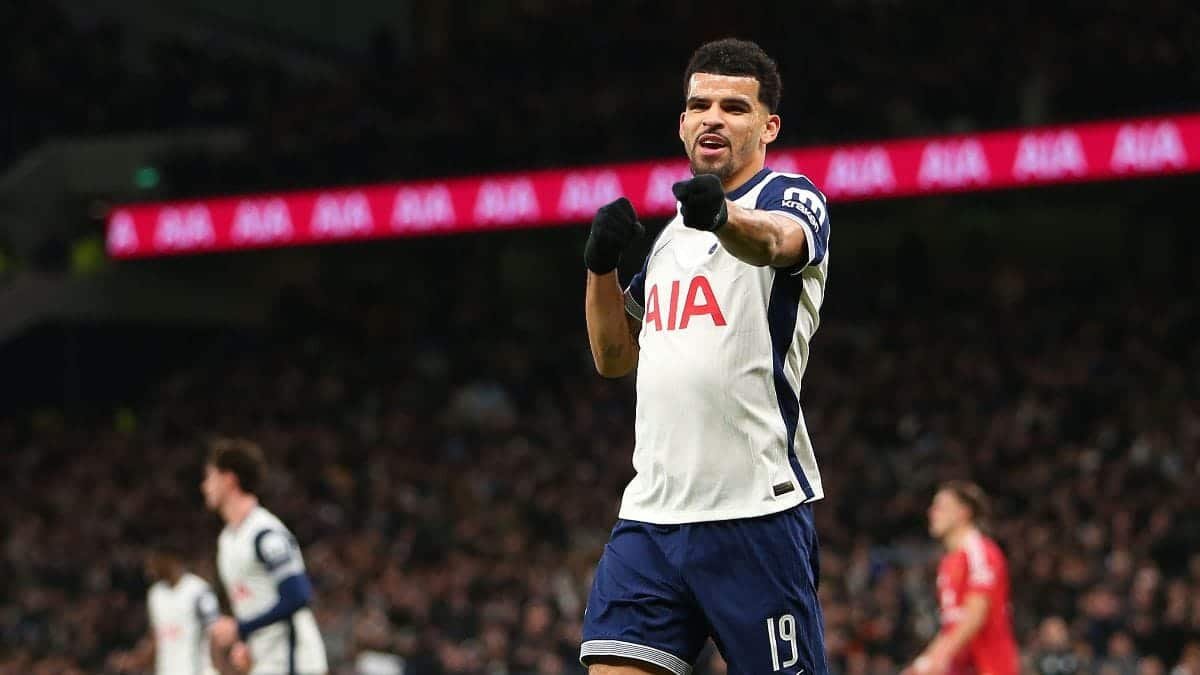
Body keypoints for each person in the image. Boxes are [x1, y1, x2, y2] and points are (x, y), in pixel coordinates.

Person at [580, 38, 832, 675]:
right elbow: (614, 356)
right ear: (683, 123)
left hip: (754, 512)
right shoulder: (670, 240)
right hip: (651, 516)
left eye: (734, 107)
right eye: (700, 106)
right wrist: (601, 267)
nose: (713, 118)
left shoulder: (791, 196)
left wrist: (722, 217)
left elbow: (774, 243)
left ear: (769, 126)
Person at [202, 438, 329, 675]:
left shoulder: (265, 533)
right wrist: (245, 642)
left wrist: (240, 628)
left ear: (229, 479)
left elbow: (298, 595)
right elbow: (252, 602)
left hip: (295, 661)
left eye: (210, 476)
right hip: (266, 661)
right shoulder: (227, 540)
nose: (204, 486)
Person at [904, 482, 1019, 675]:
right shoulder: (948, 563)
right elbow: (951, 625)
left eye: (940, 507)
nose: (931, 513)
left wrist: (936, 658)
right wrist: (922, 663)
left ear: (963, 512)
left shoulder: (980, 552)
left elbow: (975, 615)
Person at [109, 543, 220, 675]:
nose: (148, 568)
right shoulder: (155, 595)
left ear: (168, 559)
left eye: (152, 561)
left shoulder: (198, 590)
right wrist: (134, 659)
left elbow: (216, 633)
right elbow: (156, 637)